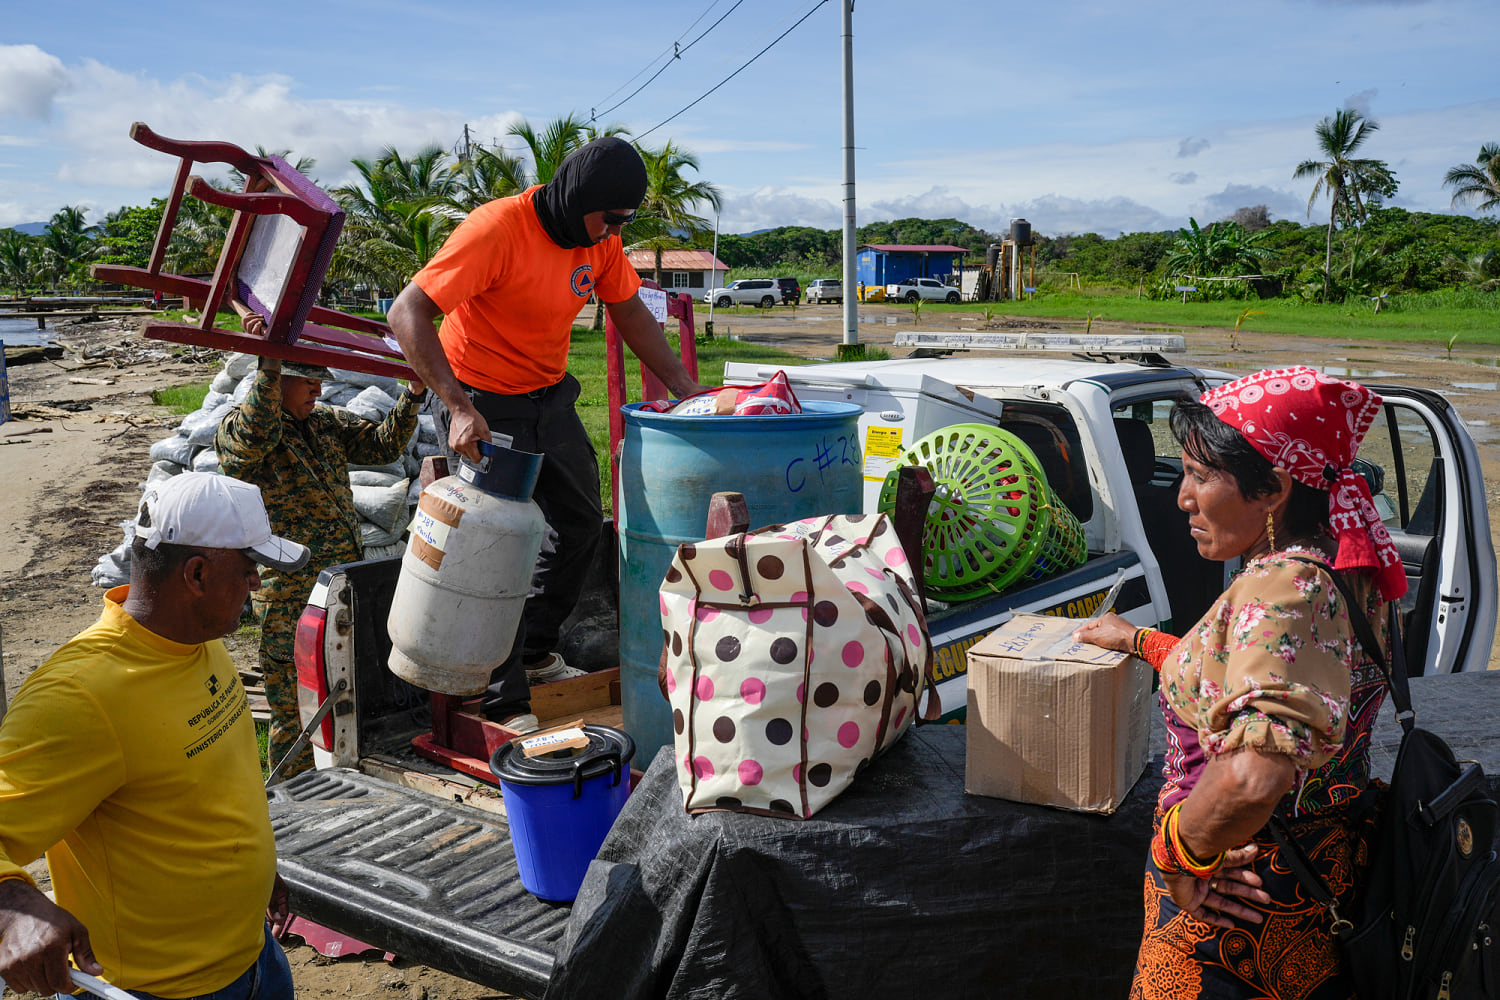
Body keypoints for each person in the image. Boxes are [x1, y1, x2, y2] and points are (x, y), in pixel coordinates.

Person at [1074, 366, 1408, 999]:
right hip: (1320, 873)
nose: (1182, 497)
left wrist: (1181, 853)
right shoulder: (1346, 562)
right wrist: (1142, 641)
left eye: (1201, 477)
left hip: (1236, 900)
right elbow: (1257, 672)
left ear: (1274, 488)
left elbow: (1255, 776)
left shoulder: (1283, 588)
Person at [387, 135, 707, 730]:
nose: (616, 230)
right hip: (480, 400)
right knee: (496, 544)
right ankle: (503, 699)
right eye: (611, 217)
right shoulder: (496, 230)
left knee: (582, 525)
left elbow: (630, 310)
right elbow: (407, 312)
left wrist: (684, 387)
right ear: (577, 197)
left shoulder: (601, 243)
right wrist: (455, 407)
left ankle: (531, 652)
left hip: (546, 396)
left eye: (625, 222)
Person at [0, 472, 309, 1000]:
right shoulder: (81, 696)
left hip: (254, 958)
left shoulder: (195, 639)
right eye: (250, 569)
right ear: (196, 574)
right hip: (161, 990)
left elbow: (202, 783)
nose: (257, 585)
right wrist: (11, 910)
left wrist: (253, 871)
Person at [216, 355, 424, 777]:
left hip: (339, 581)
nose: (317, 389)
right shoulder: (242, 428)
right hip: (288, 591)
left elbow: (382, 445)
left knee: (342, 682)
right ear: (275, 382)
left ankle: (340, 775)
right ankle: (289, 791)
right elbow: (252, 438)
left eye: (319, 380)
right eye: (307, 380)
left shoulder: (326, 422)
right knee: (294, 703)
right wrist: (269, 367)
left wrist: (413, 395)